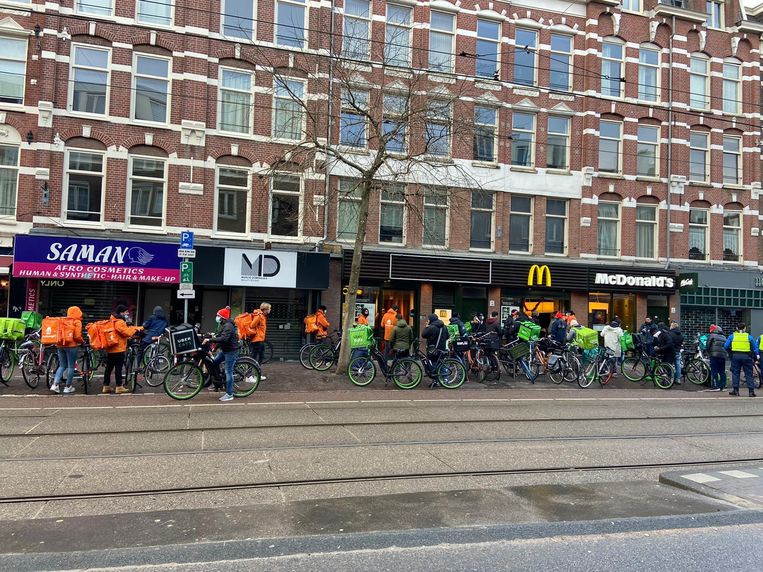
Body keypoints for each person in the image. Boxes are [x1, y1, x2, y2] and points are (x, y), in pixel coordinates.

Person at [103, 304, 141, 395]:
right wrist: (135, 329)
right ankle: (119, 386)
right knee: (118, 367)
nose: (127, 314)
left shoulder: (112, 320)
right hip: (118, 348)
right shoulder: (119, 321)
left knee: (109, 368)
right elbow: (126, 333)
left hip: (111, 347)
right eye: (126, 312)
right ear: (121, 312)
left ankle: (106, 386)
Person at [204, 307, 240, 402]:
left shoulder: (228, 326)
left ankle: (229, 394)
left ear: (222, 317)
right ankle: (218, 383)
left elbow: (224, 339)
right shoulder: (224, 324)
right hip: (225, 350)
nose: (217, 317)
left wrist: (210, 340)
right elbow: (220, 336)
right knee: (214, 362)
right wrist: (214, 346)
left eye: (218, 316)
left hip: (231, 351)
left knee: (228, 372)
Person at [50, 306, 84, 394]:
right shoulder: (77, 322)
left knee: (62, 366)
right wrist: (82, 341)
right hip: (71, 346)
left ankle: (55, 385)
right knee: (71, 367)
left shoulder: (62, 320)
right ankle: (68, 387)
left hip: (60, 345)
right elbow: (77, 336)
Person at [724, 323, 759, 397]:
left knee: (735, 373)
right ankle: (751, 392)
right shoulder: (749, 336)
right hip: (747, 356)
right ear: (745, 328)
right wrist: (757, 354)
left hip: (735, 356)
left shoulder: (732, 336)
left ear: (736, 328)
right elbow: (755, 347)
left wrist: (730, 352)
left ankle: (736, 391)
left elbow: (726, 346)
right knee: (749, 374)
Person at [247, 303, 270, 381]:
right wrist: (257, 331)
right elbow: (252, 325)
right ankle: (248, 376)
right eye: (269, 309)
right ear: (266, 309)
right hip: (256, 340)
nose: (270, 310)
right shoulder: (259, 316)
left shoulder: (263, 316)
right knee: (253, 358)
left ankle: (257, 374)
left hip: (260, 340)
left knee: (261, 357)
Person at [706, 325, 728, 392]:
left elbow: (708, 345)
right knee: (722, 371)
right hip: (722, 356)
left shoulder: (711, 335)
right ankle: (723, 386)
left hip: (714, 355)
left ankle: (715, 386)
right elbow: (726, 346)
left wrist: (708, 352)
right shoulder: (724, 337)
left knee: (714, 371)